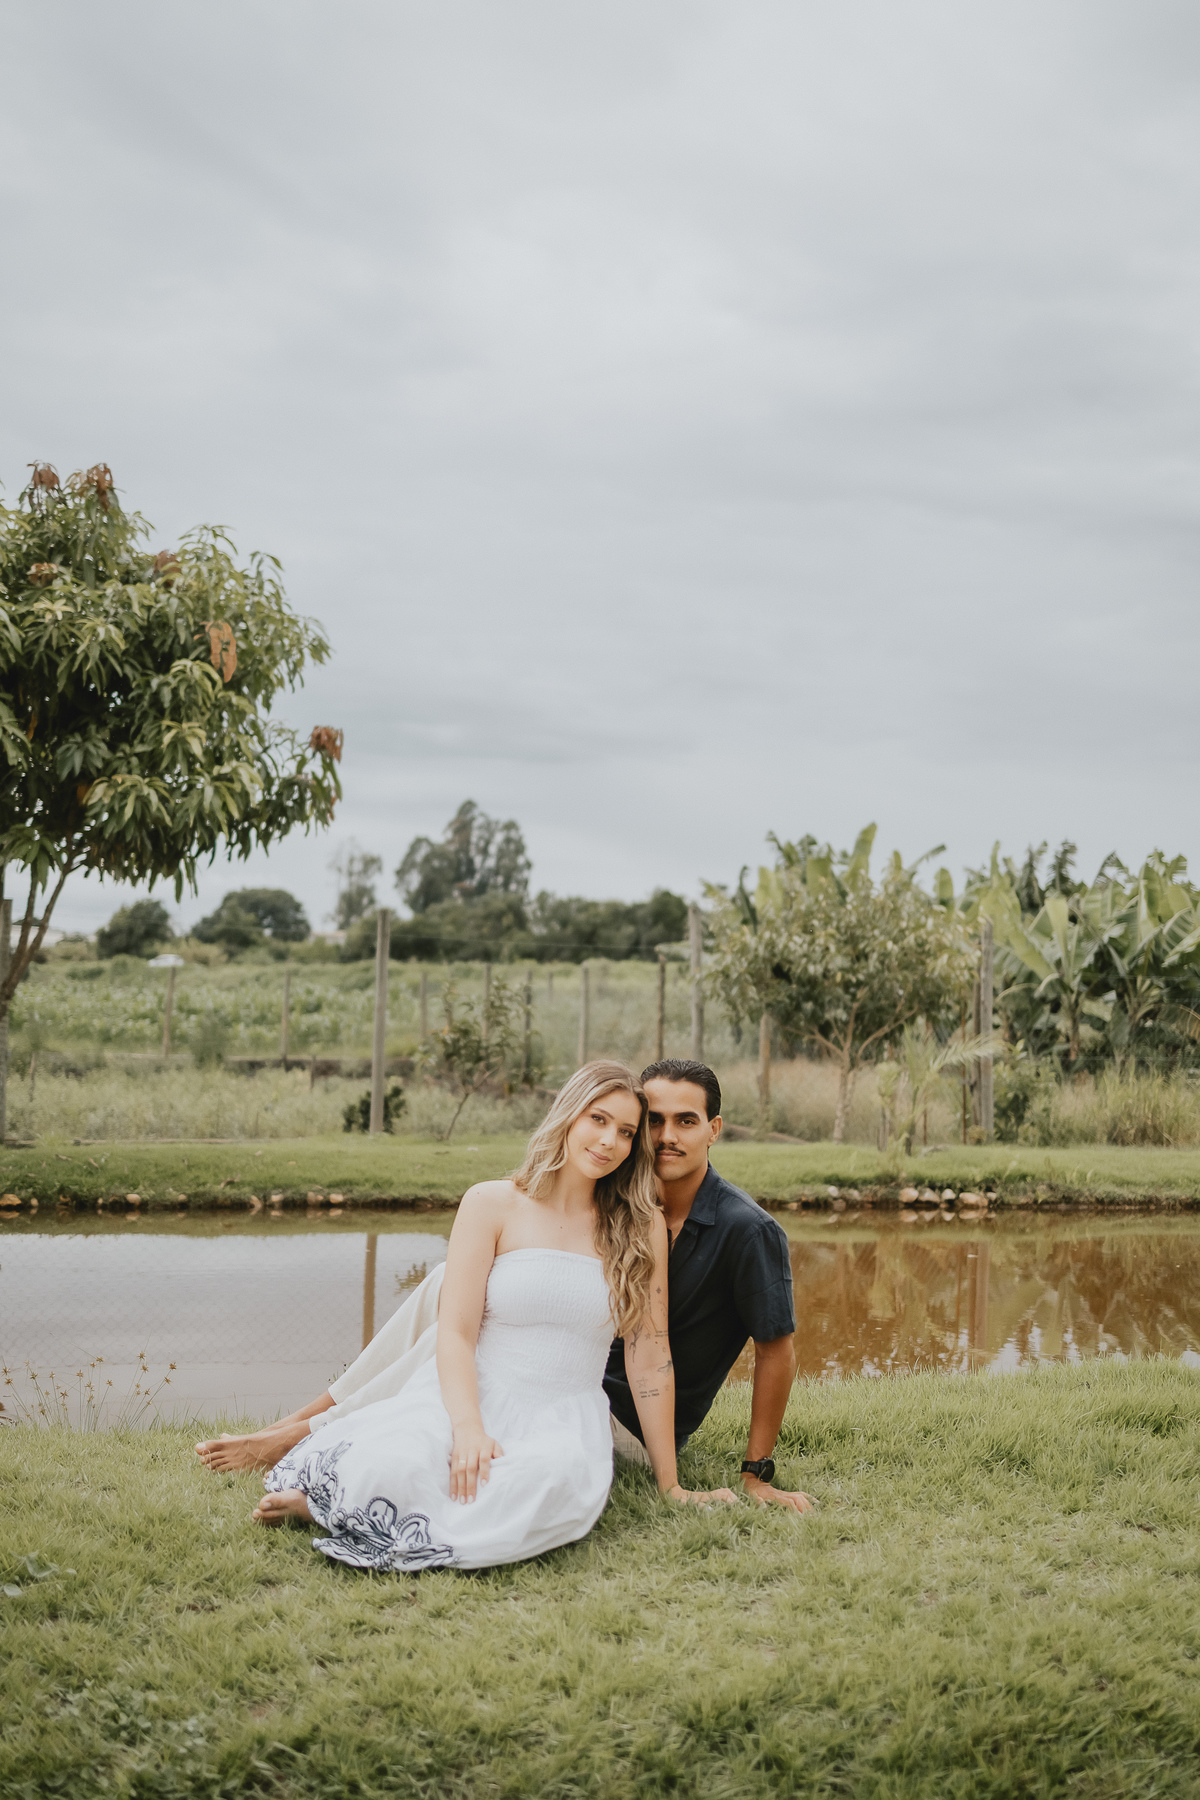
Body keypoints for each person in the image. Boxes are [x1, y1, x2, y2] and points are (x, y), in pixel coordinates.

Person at [198, 1060, 810, 1516]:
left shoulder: (746, 1230)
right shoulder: (616, 1202)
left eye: (685, 1122)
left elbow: (773, 1350)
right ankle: (301, 1425)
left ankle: (300, 1436)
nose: (663, 1137)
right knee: (454, 1289)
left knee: (461, 1325)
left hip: (618, 1411)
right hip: (548, 1378)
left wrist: (755, 1473)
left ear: (714, 1129)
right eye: (650, 1122)